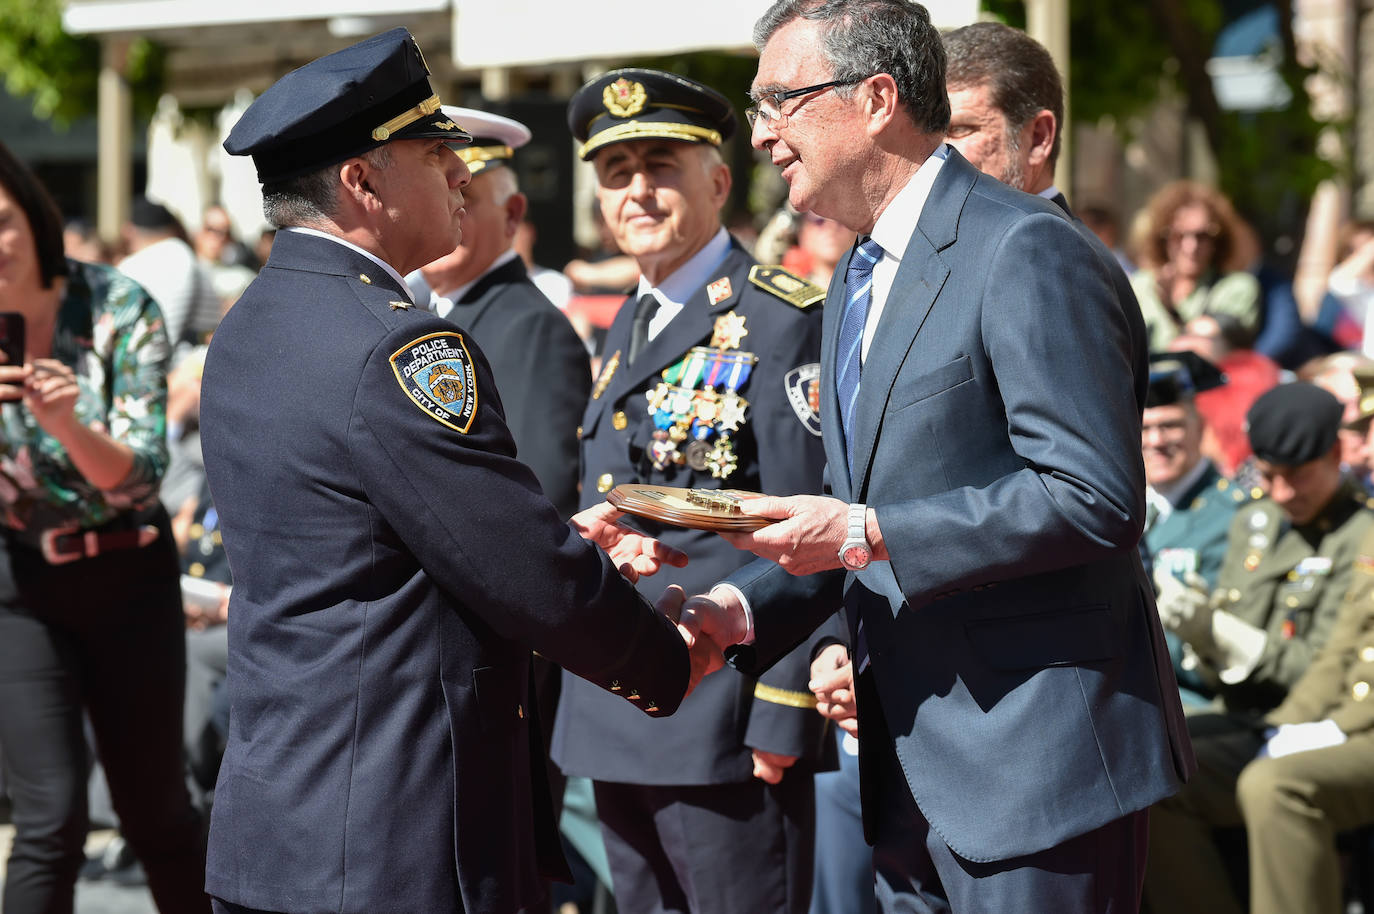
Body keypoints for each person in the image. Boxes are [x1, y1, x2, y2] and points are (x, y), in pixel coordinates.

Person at [677, 1, 1195, 911]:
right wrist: (734, 611)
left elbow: (1093, 496)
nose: (759, 135)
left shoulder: (1027, 247)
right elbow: (856, 514)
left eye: (778, 102)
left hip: (1037, 777)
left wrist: (869, 531)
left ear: (876, 98)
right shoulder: (859, 274)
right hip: (911, 777)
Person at [200, 29, 715, 914]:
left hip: (281, 824)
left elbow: (383, 546)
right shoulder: (400, 345)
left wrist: (551, 543)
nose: (461, 176)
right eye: (436, 154)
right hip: (393, 837)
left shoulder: (250, 322)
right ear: (362, 183)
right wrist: (668, 656)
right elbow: (520, 570)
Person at [550, 68, 839, 914]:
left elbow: (806, 526)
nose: (636, 190)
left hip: (723, 716)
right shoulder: (627, 319)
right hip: (618, 703)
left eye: (661, 166)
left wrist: (784, 709)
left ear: (718, 179)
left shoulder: (785, 318)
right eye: (616, 172)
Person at [0, 140, 210, 913]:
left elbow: (140, 481)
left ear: (36, 218)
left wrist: (65, 425)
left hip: (130, 572)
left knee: (155, 813)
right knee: (48, 816)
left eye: (1, 222)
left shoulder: (116, 305)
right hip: (20, 584)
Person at [1145, 500, 1374, 913]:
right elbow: (1340, 651)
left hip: (1359, 725)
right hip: (1319, 711)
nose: (1282, 490)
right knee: (1162, 771)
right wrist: (1285, 726)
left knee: (1274, 787)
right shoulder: (1259, 519)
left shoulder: (1357, 524)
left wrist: (1336, 726)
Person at [406, 106, 589, 519]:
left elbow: (537, 496)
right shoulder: (436, 314)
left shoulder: (531, 327)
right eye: (433, 196)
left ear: (512, 215)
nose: (444, 212)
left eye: (463, 196)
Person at [1153, 382, 1374, 719]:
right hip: (1234, 710)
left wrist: (1221, 634)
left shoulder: (1360, 534)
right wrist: (1201, 641)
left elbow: (1327, 668)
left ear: (1335, 454)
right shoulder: (1255, 520)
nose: (1282, 493)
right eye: (1268, 476)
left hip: (1301, 719)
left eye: (1297, 475)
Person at [1141, 351, 1250, 707]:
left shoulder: (1235, 514)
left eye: (1171, 426)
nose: (1156, 441)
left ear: (1200, 428)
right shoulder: (1120, 507)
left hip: (1189, 695)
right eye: (1144, 428)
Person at [1129, 181, 1262, 353]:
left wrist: (1171, 311)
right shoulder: (1139, 286)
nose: (1191, 247)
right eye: (1179, 235)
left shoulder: (1237, 287)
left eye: (1202, 236)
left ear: (1218, 240)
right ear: (1163, 239)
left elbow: (1206, 351)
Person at [117, 197, 221, 350]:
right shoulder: (181, 256)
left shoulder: (171, 256)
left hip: (173, 365)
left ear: (128, 231)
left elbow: (162, 338)